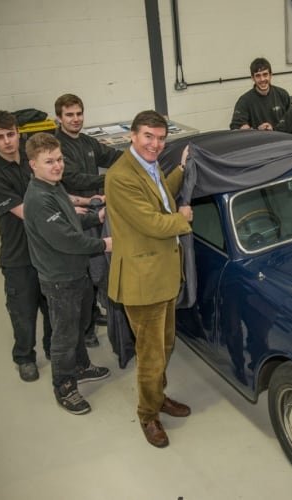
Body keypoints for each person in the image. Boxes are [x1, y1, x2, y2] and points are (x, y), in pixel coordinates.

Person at [105, 110, 193, 448]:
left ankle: (158, 397)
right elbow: (153, 223)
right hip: (142, 280)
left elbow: (160, 197)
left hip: (163, 274)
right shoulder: (120, 175)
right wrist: (182, 217)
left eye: (160, 138)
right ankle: (147, 414)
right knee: (151, 354)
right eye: (148, 137)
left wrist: (182, 170)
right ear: (132, 135)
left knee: (165, 345)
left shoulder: (149, 166)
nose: (155, 144)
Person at [22, 133, 112, 415]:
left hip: (76, 272)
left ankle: (81, 366)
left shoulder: (54, 187)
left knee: (80, 322)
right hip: (60, 278)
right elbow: (67, 240)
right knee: (63, 334)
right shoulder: (38, 198)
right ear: (33, 165)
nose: (57, 166)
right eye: (49, 161)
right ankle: (64, 387)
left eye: (59, 159)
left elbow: (70, 221)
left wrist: (93, 217)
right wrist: (104, 244)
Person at [0, 111, 53, 382]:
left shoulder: (32, 159)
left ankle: (52, 349)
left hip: (46, 250)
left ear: (18, 132)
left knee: (51, 307)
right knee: (23, 312)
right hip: (18, 255)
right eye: (0, 137)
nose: (7, 141)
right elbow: (28, 213)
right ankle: (24, 357)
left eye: (10, 134)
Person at [54, 93, 123, 347]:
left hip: (96, 213)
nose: (75, 119)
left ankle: (93, 314)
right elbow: (72, 178)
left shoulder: (87, 142)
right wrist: (109, 181)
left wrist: (136, 156)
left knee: (96, 267)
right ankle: (85, 330)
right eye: (69, 115)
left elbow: (110, 155)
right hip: (74, 216)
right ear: (59, 118)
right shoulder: (57, 146)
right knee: (82, 274)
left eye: (79, 113)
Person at [229, 57, 291, 131]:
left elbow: (291, 120)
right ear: (252, 78)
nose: (262, 79)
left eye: (265, 74)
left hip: (281, 140)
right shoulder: (244, 101)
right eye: (258, 76)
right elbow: (235, 127)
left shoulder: (282, 94)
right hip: (257, 141)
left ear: (271, 75)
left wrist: (273, 129)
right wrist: (256, 130)